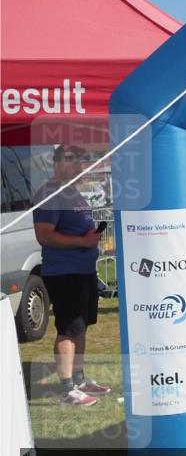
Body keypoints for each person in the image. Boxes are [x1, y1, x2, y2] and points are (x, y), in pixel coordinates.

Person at [32, 145, 111, 406]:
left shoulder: (73, 192)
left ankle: (79, 379)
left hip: (83, 271)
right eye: (72, 161)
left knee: (80, 326)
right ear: (57, 163)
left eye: (81, 161)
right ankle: (67, 389)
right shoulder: (49, 193)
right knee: (68, 328)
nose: (79, 167)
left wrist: (89, 240)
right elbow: (44, 235)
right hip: (64, 273)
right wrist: (82, 241)